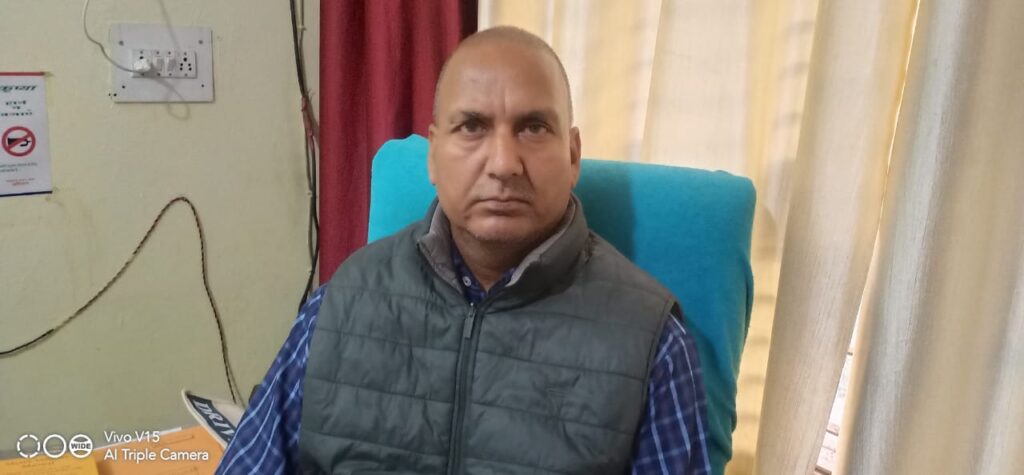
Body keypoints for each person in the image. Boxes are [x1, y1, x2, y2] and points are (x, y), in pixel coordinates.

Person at [217, 26, 711, 475]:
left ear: (573, 154)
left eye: (533, 127)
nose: (503, 163)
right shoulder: (340, 303)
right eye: (472, 126)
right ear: (433, 155)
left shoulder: (653, 344)